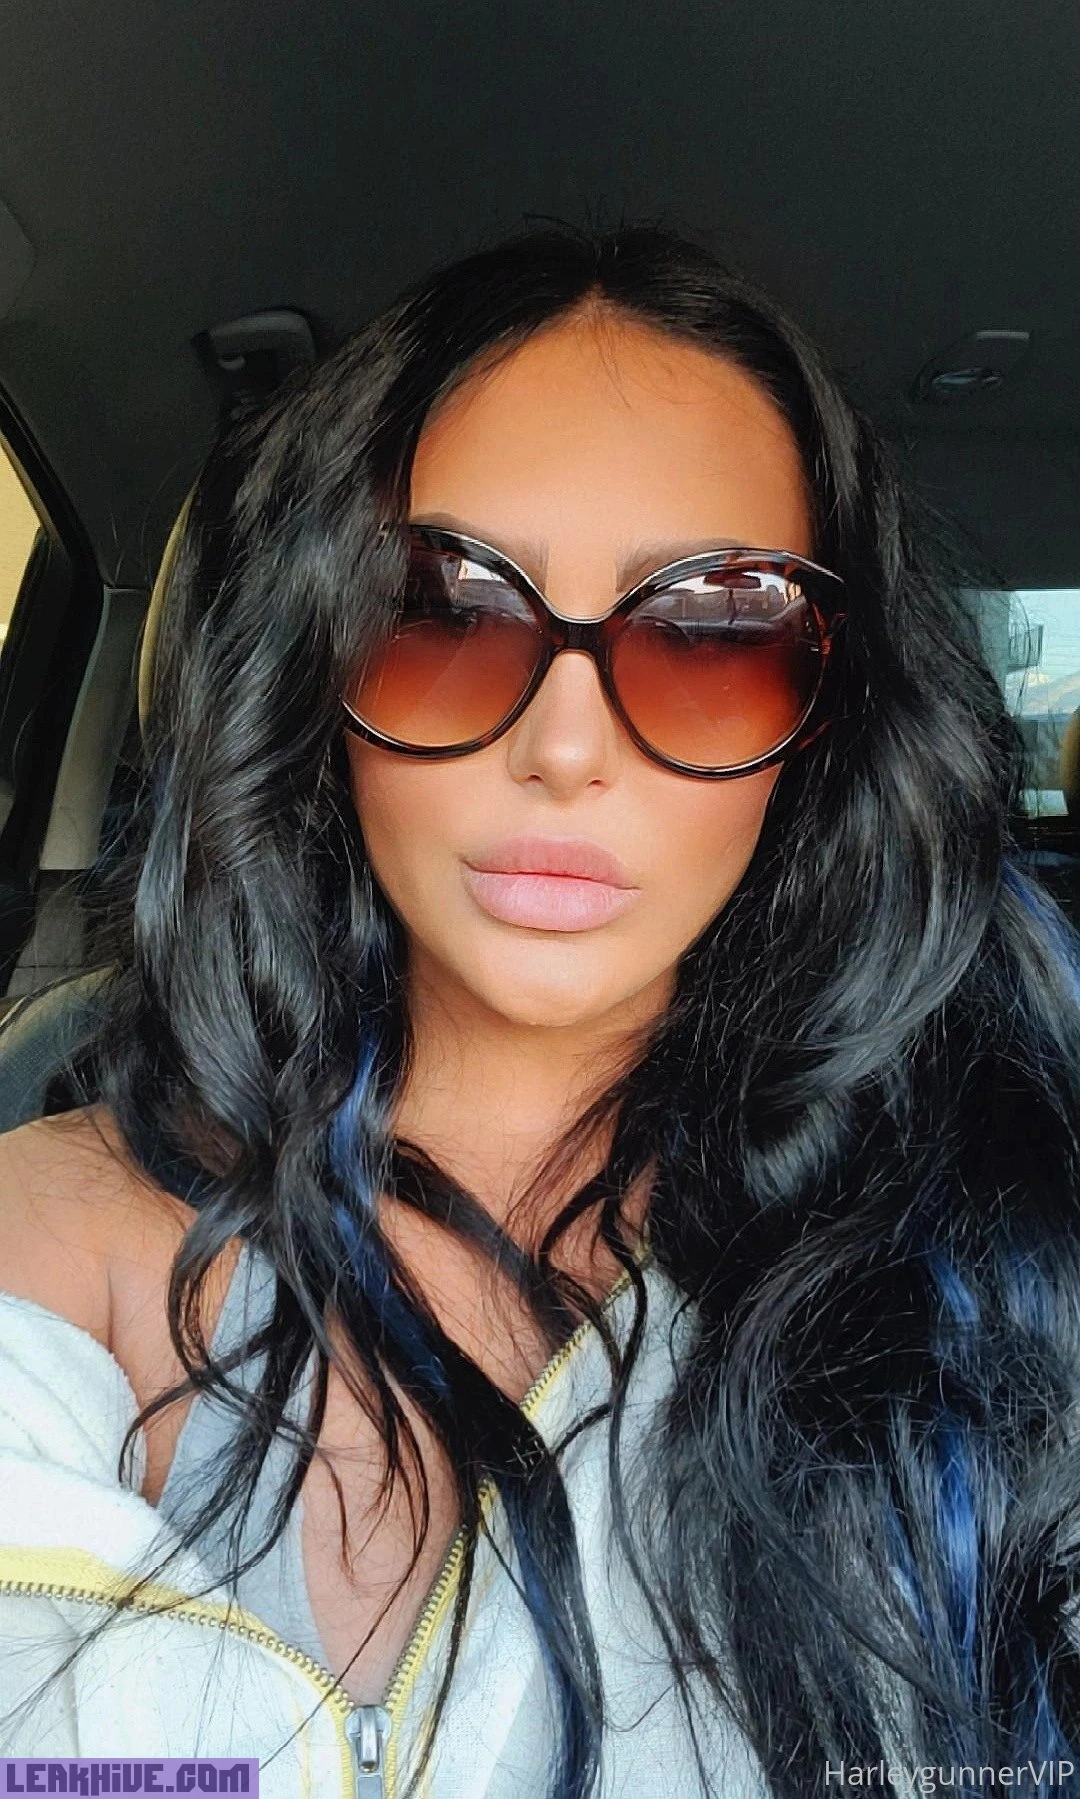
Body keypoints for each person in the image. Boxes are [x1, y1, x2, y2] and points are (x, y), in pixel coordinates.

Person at [0, 220, 1077, 1799]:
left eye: (716, 627)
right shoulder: (56, 1228)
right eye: (443, 608)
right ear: (313, 673)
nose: (566, 747)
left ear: (826, 724)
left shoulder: (995, 1256)